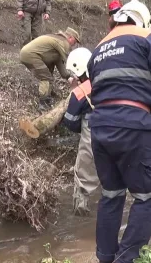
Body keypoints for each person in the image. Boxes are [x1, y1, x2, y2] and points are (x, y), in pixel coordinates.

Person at [86, 0, 151, 263]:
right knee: (149, 196)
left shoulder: (98, 49)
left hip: (99, 126)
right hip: (133, 124)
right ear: (141, 19)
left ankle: (106, 257)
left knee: (111, 194)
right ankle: (127, 258)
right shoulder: (145, 36)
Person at [61, 47, 100, 216]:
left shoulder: (79, 92)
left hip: (92, 137)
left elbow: (70, 121)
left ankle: (81, 213)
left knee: (84, 175)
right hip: (118, 134)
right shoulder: (105, 80)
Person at [19, 27, 81, 111]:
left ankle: (48, 95)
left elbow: (60, 64)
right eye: (75, 41)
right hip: (31, 55)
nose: (75, 44)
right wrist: (79, 74)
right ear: (70, 37)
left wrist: (68, 77)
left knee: (49, 72)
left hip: (27, 53)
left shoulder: (57, 41)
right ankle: (43, 103)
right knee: (46, 77)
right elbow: (69, 60)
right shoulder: (63, 42)